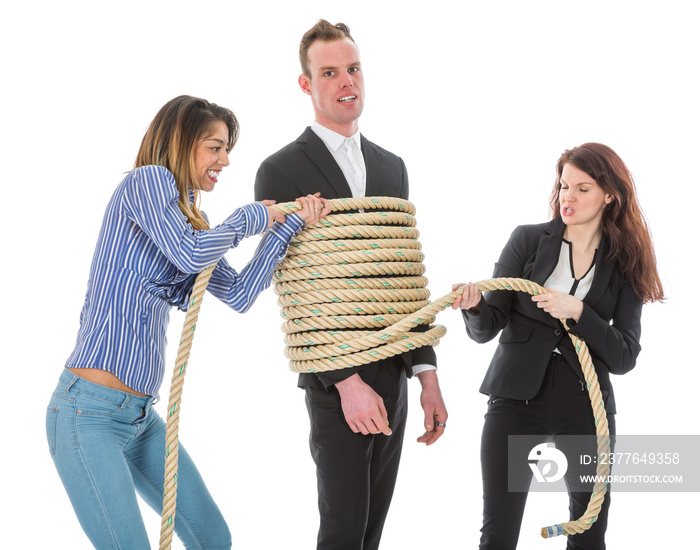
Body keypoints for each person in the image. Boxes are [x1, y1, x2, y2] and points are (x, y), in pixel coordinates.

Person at [45, 95, 330, 549]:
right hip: (87, 414)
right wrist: (254, 216)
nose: (226, 159)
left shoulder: (189, 221)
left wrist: (283, 229)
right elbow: (188, 255)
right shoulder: (147, 182)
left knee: (212, 538)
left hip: (139, 418)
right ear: (181, 143)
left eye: (226, 148)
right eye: (214, 147)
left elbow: (238, 295)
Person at [254, 20, 448, 550]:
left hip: (396, 369)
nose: (347, 82)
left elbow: (403, 278)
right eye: (330, 72)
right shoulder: (280, 170)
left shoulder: (393, 167)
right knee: (342, 530)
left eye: (354, 68)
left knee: (371, 532)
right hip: (334, 378)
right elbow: (295, 288)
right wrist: (346, 381)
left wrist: (426, 374)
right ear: (306, 84)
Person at [452, 142, 664, 550]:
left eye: (583, 188)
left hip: (586, 406)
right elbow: (485, 330)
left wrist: (580, 312)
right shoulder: (527, 240)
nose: (568, 196)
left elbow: (624, 356)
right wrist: (475, 306)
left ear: (610, 195)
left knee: (588, 533)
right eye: (564, 185)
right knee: (498, 534)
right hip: (515, 402)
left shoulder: (624, 264)